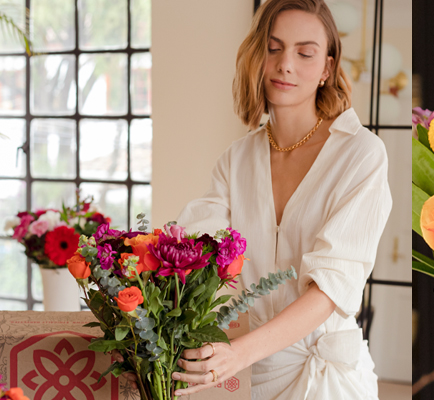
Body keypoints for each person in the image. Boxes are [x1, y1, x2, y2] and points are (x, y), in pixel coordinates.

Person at [168, 0, 392, 398]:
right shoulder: (237, 159)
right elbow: (193, 250)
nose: (286, 64)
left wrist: (237, 355)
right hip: (253, 374)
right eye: (274, 48)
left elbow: (330, 289)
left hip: (326, 379)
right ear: (258, 56)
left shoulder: (361, 153)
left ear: (327, 68)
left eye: (305, 53)